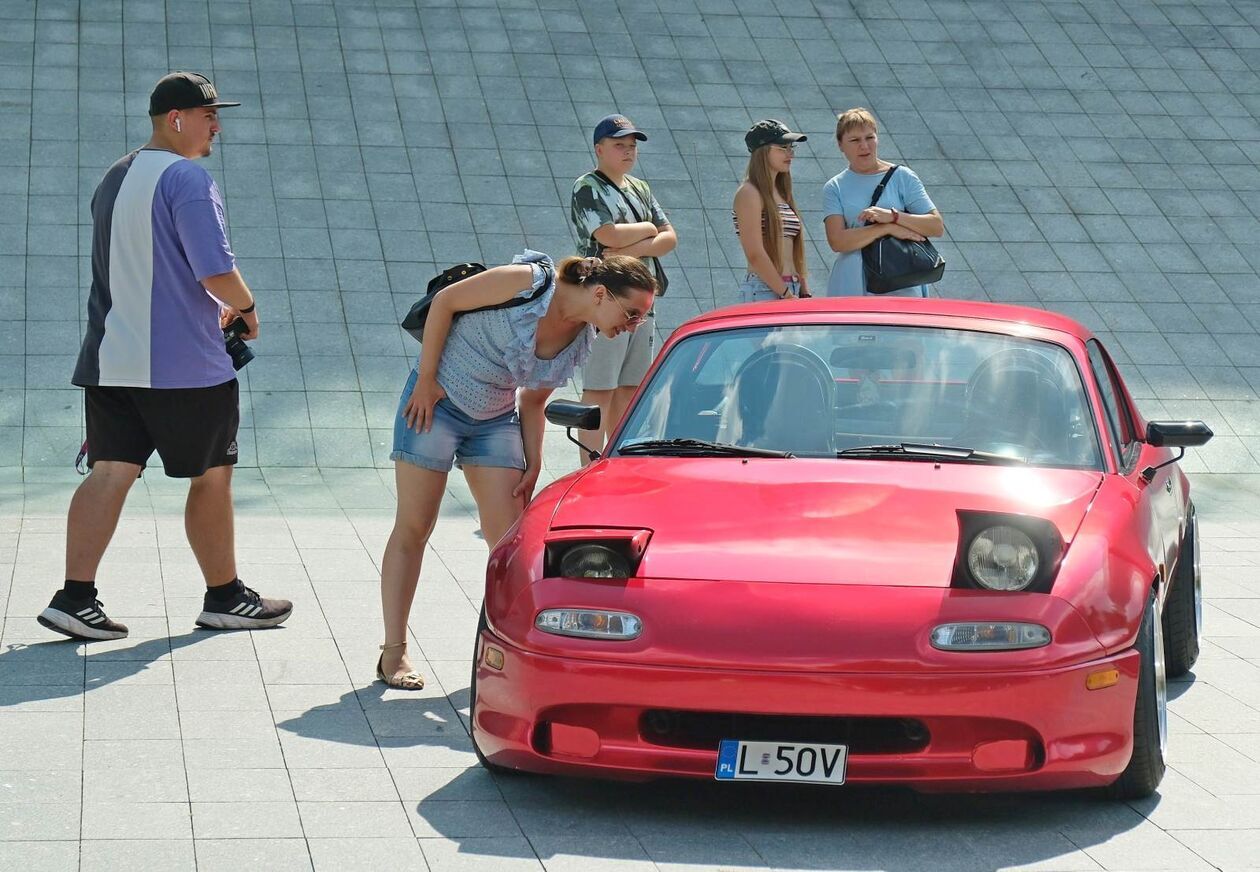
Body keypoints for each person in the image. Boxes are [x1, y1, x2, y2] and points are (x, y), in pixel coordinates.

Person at [39, 72, 292, 642]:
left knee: (109, 473)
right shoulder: (188, 180)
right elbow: (215, 271)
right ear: (175, 119)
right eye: (208, 116)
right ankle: (225, 596)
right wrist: (247, 307)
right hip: (185, 368)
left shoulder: (114, 176)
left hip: (110, 358)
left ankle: (73, 599)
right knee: (212, 477)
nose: (217, 126)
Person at [378, 251, 657, 689]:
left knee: (510, 546)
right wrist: (427, 377)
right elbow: (447, 302)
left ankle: (508, 652)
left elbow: (532, 400)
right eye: (633, 313)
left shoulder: (580, 338)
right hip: (435, 403)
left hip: (495, 419)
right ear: (600, 294)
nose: (634, 325)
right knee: (414, 527)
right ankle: (394, 652)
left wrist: (533, 461)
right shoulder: (529, 281)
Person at [570, 114, 677, 464]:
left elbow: (669, 238)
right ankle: (589, 462)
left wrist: (635, 247)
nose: (628, 151)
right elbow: (607, 236)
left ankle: (616, 460)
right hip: (606, 298)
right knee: (600, 386)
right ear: (599, 149)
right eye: (619, 145)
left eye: (632, 146)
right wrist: (647, 229)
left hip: (643, 299)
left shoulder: (641, 188)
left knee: (630, 388)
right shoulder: (588, 187)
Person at [822, 107, 945, 297]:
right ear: (840, 145)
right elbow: (837, 241)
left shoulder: (903, 177)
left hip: (901, 282)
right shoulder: (834, 186)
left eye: (869, 137)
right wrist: (884, 228)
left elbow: (935, 226)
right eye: (855, 140)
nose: (864, 146)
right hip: (852, 281)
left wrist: (893, 217)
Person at [732, 120, 812, 303]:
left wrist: (804, 291)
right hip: (764, 289)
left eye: (791, 147)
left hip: (788, 289)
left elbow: (794, 251)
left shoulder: (782, 192)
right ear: (762, 151)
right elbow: (754, 253)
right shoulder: (749, 192)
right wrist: (786, 294)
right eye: (783, 148)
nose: (790, 154)